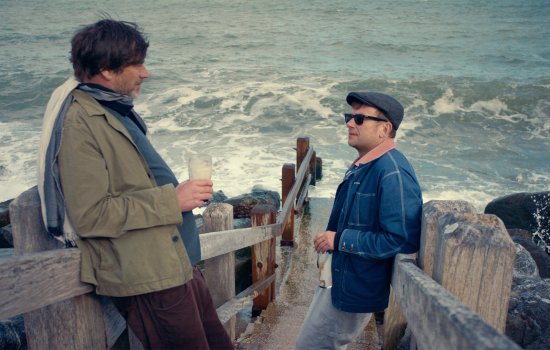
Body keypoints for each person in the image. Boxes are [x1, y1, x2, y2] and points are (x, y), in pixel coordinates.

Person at [37, 19, 233, 349]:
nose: (146, 72)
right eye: (136, 64)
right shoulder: (79, 123)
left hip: (176, 264)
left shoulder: (111, 107)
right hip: (151, 279)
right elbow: (91, 215)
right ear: (105, 69)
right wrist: (173, 201)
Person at [295, 91, 423, 349]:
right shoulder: (365, 165)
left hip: (356, 287)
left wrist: (339, 239)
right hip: (342, 278)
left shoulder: (392, 172)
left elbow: (399, 240)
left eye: (360, 119)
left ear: (384, 129)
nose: (349, 124)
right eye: (349, 117)